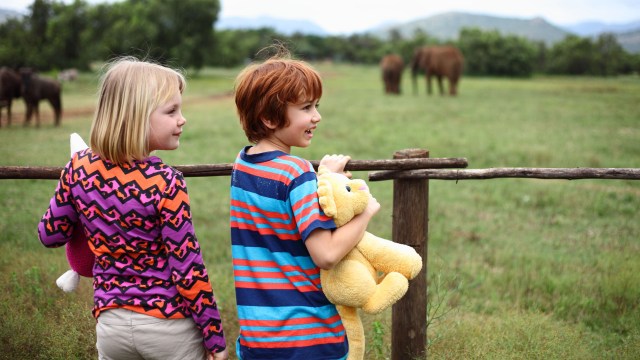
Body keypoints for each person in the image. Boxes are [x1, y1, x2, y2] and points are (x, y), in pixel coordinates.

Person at [38, 57, 228, 360]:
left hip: (111, 324)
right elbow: (187, 269)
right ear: (135, 116)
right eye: (171, 111)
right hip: (169, 328)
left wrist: (89, 206)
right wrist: (215, 337)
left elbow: (50, 234)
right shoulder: (166, 182)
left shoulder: (78, 167)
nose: (183, 119)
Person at [230, 47, 381, 359]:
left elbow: (279, 212)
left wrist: (322, 176)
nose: (317, 116)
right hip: (309, 337)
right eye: (306, 107)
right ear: (270, 118)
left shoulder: (242, 165)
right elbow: (326, 254)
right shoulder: (296, 173)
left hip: (257, 338)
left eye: (317, 105)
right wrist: (364, 213)